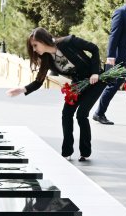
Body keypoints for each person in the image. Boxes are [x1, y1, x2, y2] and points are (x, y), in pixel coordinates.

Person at [8, 28, 102, 161]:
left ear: (42, 40)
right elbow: (39, 81)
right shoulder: (47, 59)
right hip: (78, 84)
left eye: (35, 45)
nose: (34, 50)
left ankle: (85, 152)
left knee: (82, 114)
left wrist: (95, 72)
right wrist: (22, 89)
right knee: (67, 113)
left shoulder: (68, 42)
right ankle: (67, 151)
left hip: (95, 81)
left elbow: (94, 48)